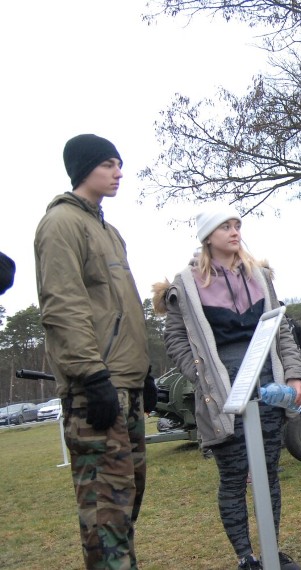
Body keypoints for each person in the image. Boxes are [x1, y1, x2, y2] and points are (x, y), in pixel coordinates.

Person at [153, 205, 301, 570]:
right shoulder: (186, 285)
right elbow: (175, 338)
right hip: (222, 395)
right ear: (208, 236)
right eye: (225, 226)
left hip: (268, 387)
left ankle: (271, 549)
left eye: (237, 225)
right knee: (235, 476)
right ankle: (245, 557)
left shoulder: (260, 277)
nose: (234, 231)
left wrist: (295, 375)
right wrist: (201, 375)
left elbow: (281, 330)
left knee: (268, 472)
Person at [34, 134, 156, 569]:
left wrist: (144, 374)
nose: (118, 173)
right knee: (106, 512)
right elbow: (63, 306)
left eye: (119, 164)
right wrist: (92, 376)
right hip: (97, 390)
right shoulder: (61, 224)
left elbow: (121, 307)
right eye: (108, 164)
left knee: (125, 505)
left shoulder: (109, 230)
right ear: (84, 168)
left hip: (125, 385)